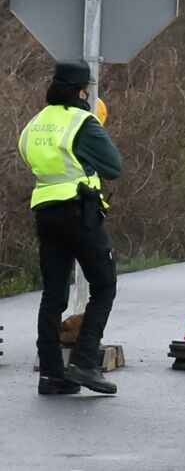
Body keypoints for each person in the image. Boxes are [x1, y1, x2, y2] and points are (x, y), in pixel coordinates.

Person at [19, 61, 123, 395]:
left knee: (53, 295)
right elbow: (113, 166)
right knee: (104, 285)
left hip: (45, 212)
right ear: (82, 91)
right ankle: (84, 364)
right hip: (79, 212)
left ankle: (51, 375)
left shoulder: (35, 123)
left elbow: (29, 157)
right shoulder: (82, 122)